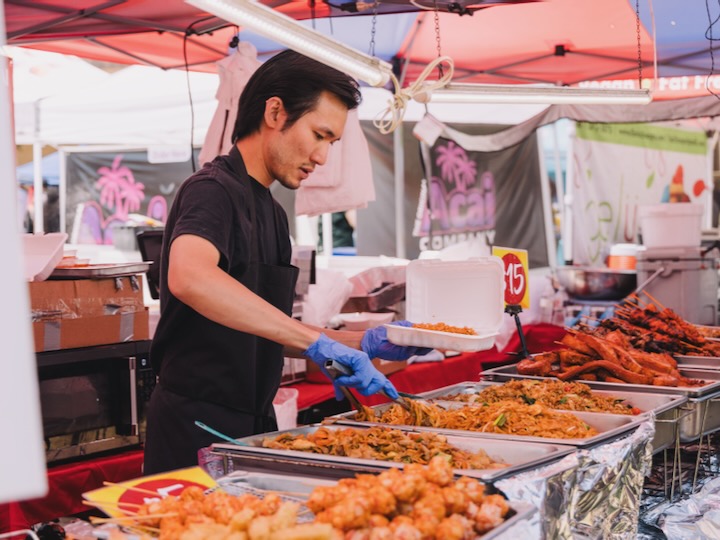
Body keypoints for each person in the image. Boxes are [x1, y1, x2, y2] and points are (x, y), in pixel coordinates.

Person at [143, 50, 428, 474]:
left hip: (253, 420)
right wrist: (316, 343)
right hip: (196, 426)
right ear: (275, 111)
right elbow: (190, 276)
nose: (322, 157)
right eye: (319, 134)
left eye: (330, 143)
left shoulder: (273, 212)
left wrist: (360, 342)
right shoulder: (211, 190)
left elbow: (263, 323)